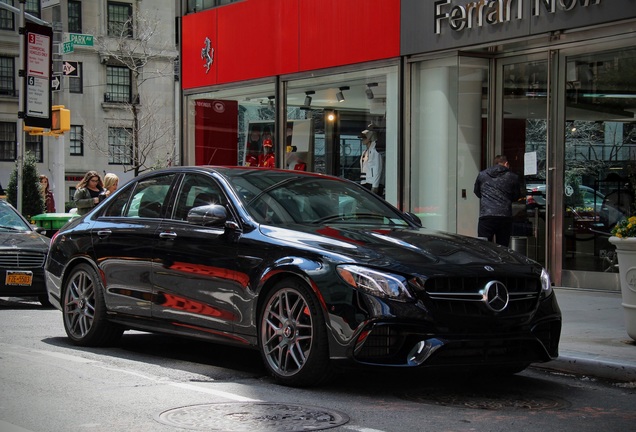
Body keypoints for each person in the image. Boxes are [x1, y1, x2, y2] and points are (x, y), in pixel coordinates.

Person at [473, 154, 521, 247]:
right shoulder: (512, 177)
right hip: (504, 216)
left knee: (484, 246)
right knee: (502, 247)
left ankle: (485, 261)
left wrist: (487, 199)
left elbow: (477, 192)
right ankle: (501, 261)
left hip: (486, 215)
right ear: (506, 163)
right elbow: (516, 196)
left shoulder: (482, 175)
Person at [359, 129, 383, 194]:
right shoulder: (365, 152)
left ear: (369, 139)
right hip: (365, 182)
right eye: (362, 138)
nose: (362, 140)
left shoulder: (375, 151)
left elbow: (378, 168)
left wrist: (375, 185)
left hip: (371, 183)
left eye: (364, 138)